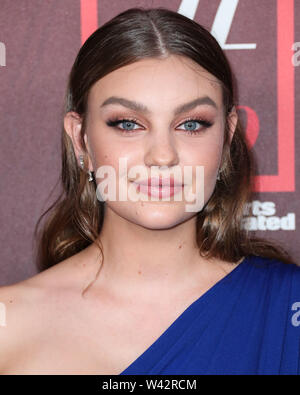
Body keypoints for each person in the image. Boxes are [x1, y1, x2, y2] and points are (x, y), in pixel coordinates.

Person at [0, 7, 299, 375]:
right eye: (128, 124)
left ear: (226, 136)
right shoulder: (9, 325)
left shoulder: (288, 309)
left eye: (191, 124)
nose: (163, 155)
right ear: (81, 140)